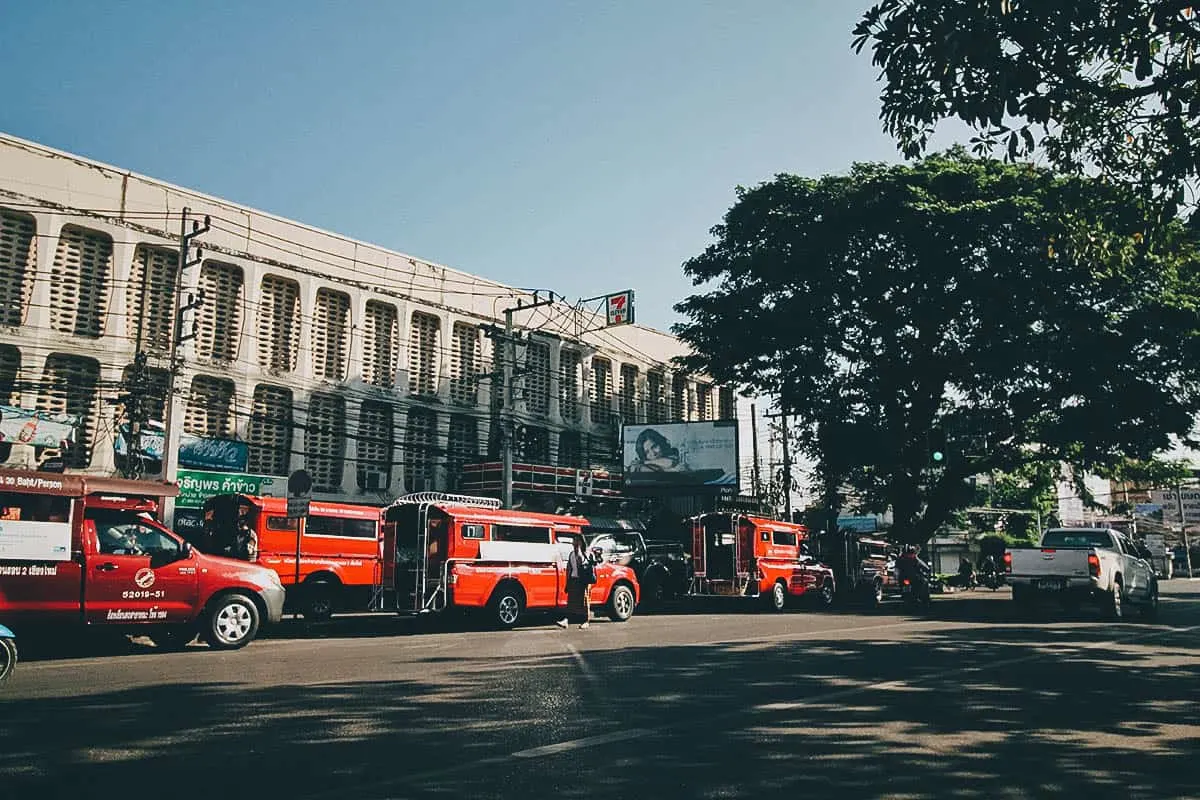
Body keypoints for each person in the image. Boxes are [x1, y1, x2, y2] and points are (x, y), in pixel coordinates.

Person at [557, 537, 597, 630]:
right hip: (574, 579)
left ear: (580, 542)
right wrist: (567, 582)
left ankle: (586, 621)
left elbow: (581, 563)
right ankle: (566, 620)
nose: (573, 543)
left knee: (584, 601)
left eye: (575, 541)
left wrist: (579, 550)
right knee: (571, 601)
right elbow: (569, 569)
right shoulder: (571, 554)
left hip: (584, 580)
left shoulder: (586, 554)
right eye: (573, 541)